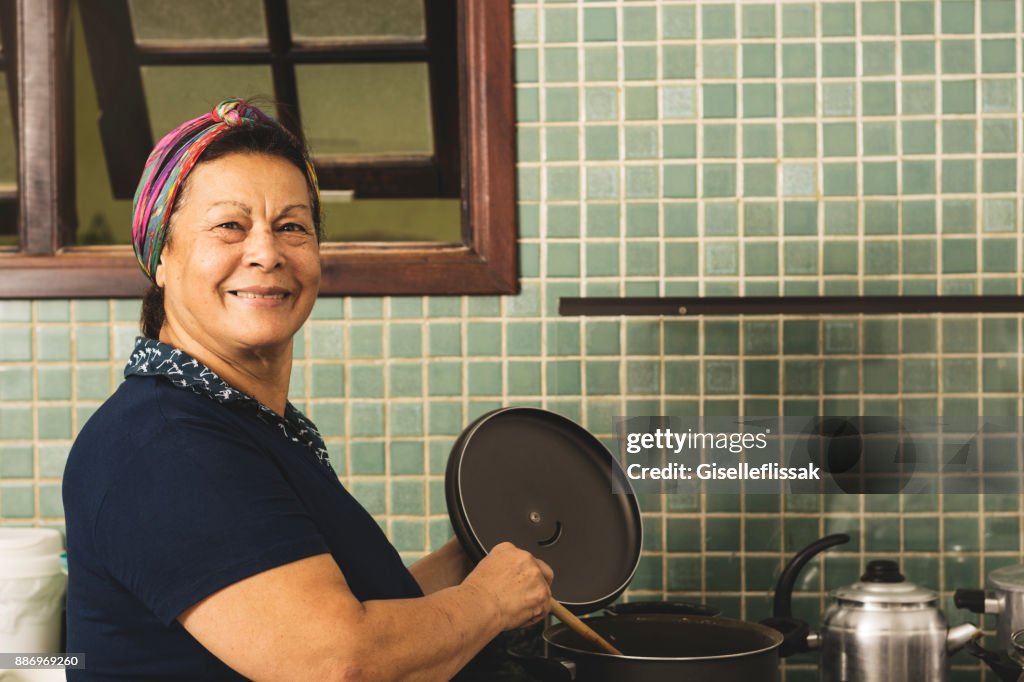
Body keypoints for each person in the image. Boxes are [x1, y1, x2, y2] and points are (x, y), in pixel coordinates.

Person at [62, 98, 553, 681]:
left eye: (292, 226)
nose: (267, 253)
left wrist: (467, 566)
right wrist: (489, 602)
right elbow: (338, 663)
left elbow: (343, 617)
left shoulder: (241, 423)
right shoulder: (166, 446)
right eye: (229, 226)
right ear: (160, 256)